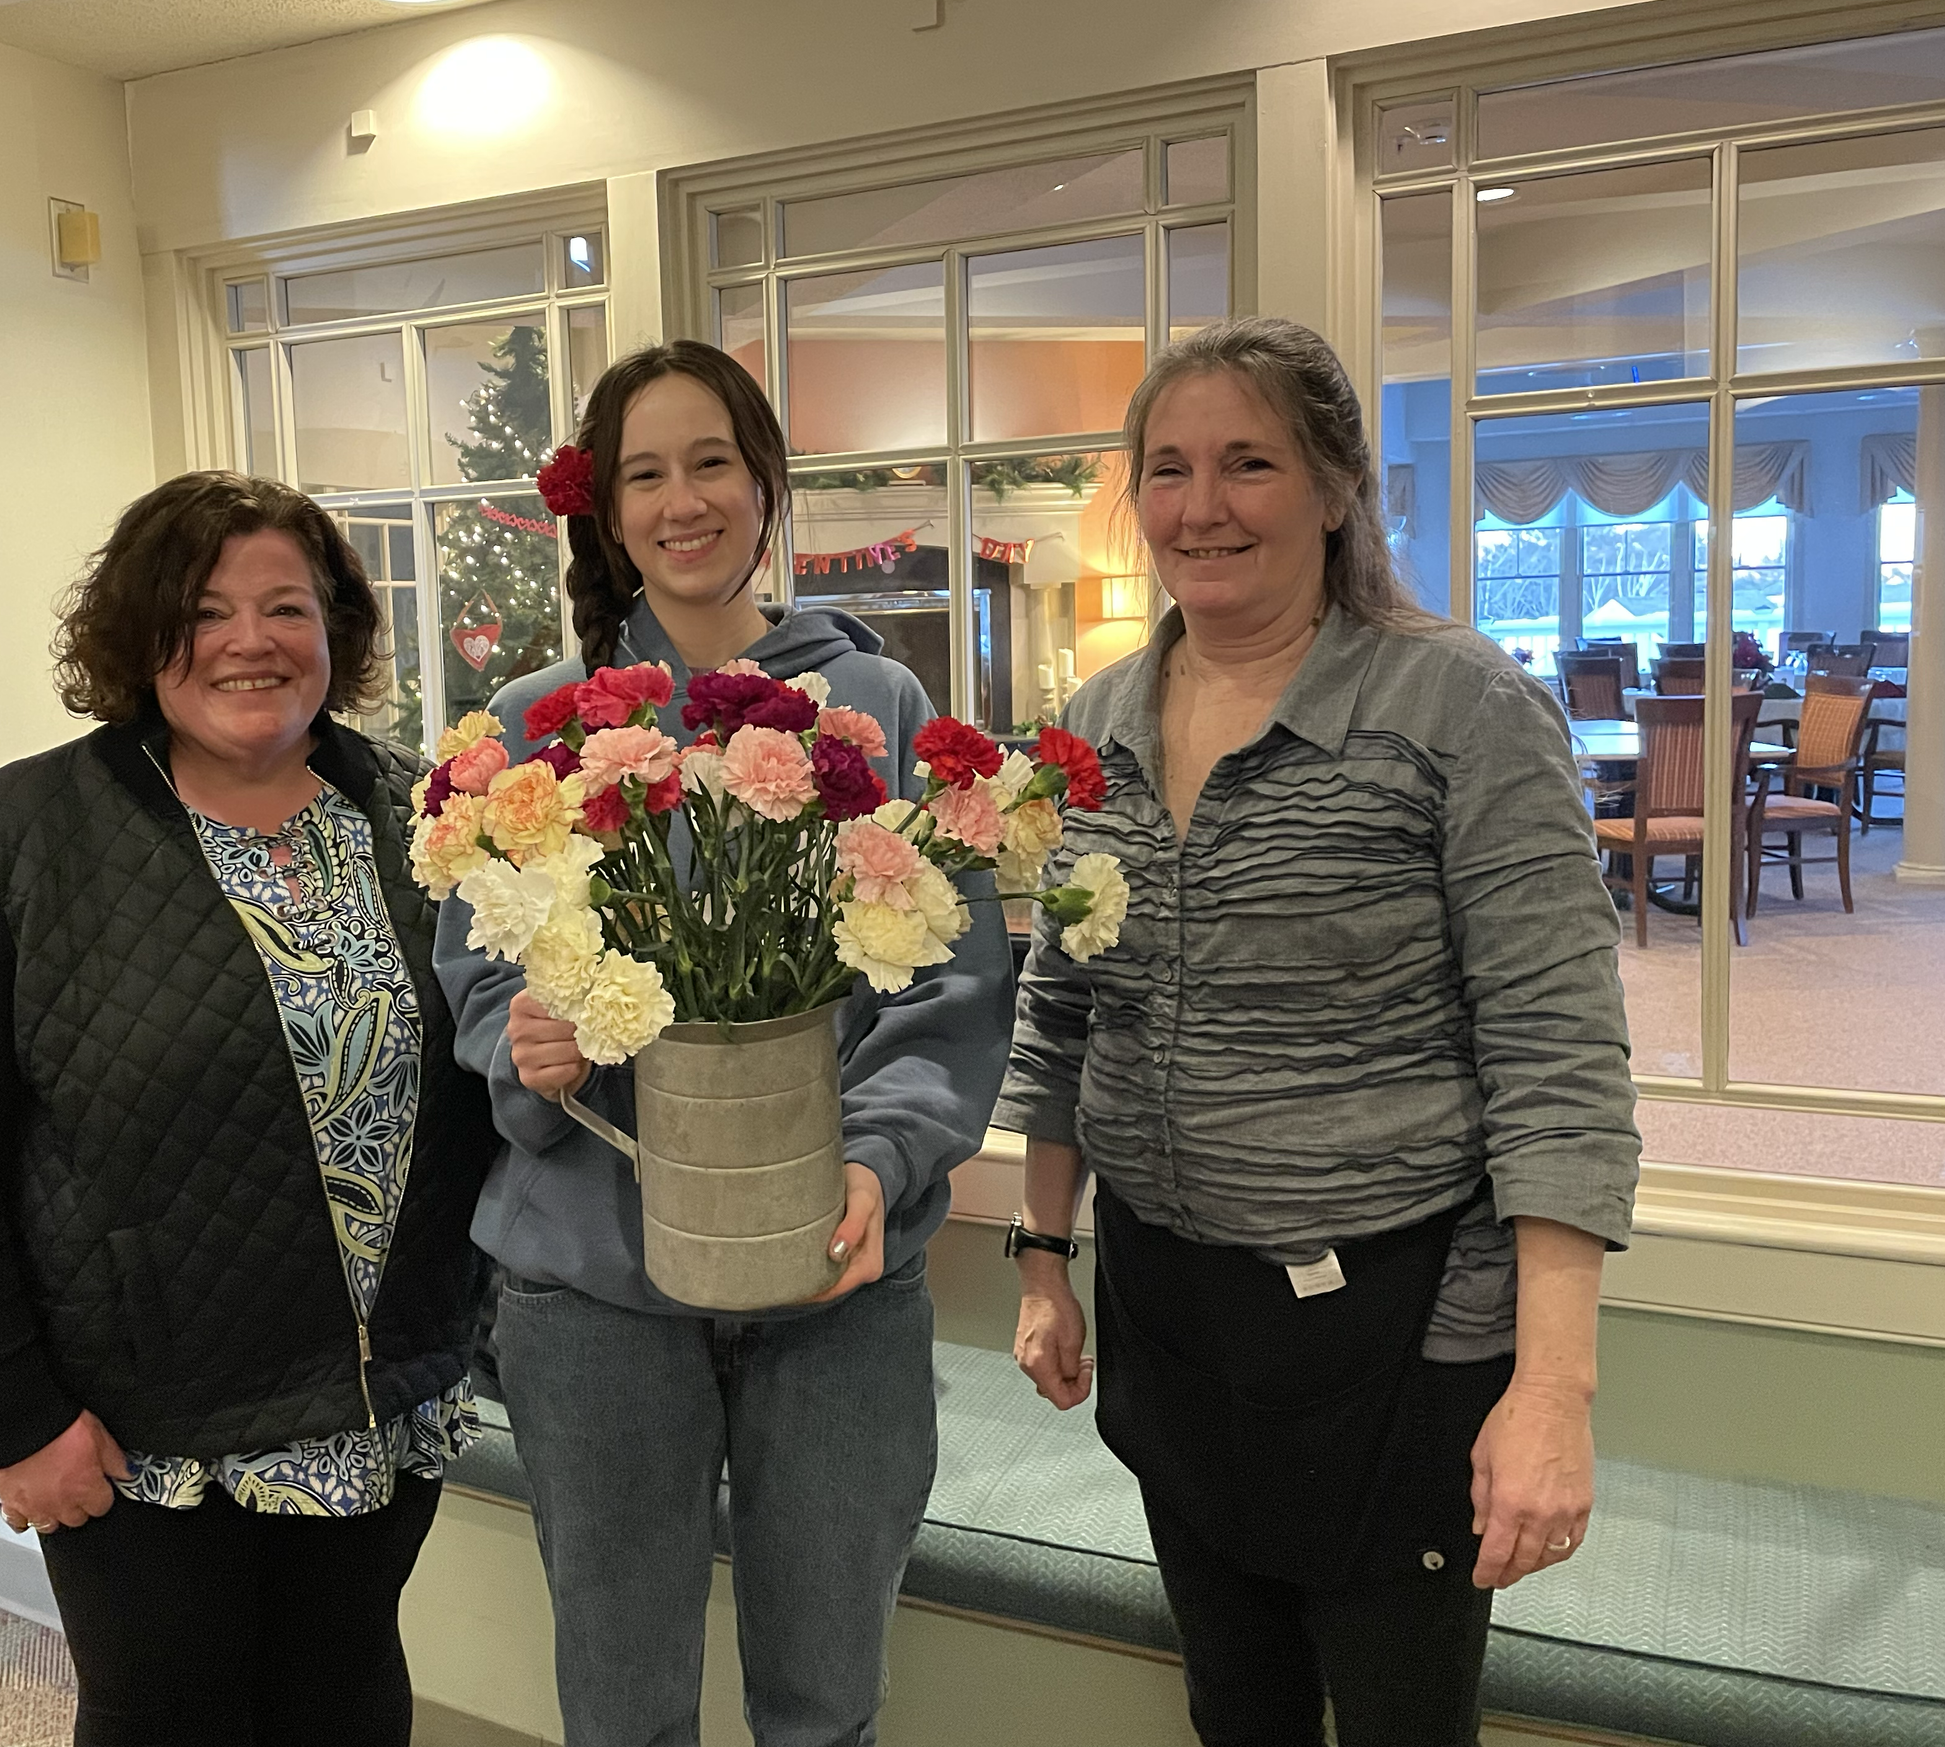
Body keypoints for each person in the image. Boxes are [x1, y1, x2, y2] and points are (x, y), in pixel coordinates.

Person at [1000, 318, 1640, 1747]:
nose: (1201, 506)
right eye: (1167, 468)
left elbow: (1559, 1055)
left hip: (1393, 1330)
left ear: (1339, 485)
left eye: (1249, 462)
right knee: (1238, 1706)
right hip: (1170, 1312)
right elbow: (1062, 1006)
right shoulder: (1098, 721)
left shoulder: (1458, 704)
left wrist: (1552, 1385)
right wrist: (1044, 1249)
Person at [0, 472, 497, 1746]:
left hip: (384, 1404)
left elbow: (483, 1074)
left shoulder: (423, 819)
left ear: (337, 632)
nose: (249, 642)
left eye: (286, 608)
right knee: (169, 1718)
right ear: (139, 637)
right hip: (143, 1437)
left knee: (347, 1695)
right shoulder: (21, 838)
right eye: (203, 611)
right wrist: (15, 1415)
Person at [435, 341, 1013, 1747]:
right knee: (623, 1704)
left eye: (712, 463)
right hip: (593, 1297)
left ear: (765, 487)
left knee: (826, 1703)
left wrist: (877, 1159)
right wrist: (526, 1042)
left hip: (834, 1278)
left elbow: (950, 982)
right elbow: (471, 975)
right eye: (646, 472)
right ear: (607, 508)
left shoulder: (878, 712)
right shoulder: (535, 727)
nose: (683, 499)